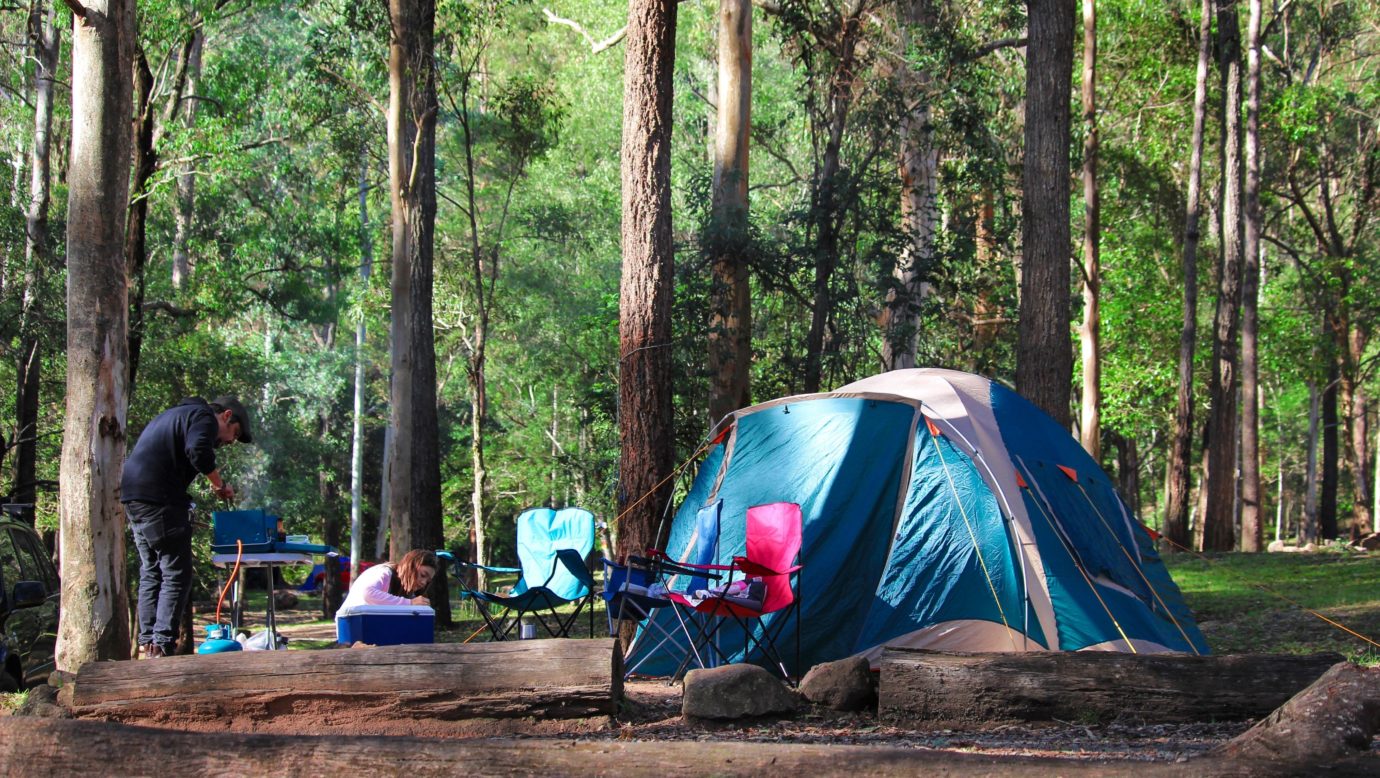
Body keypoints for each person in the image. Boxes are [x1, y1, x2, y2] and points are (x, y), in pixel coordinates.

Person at [121, 395, 253, 658]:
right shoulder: (202, 416)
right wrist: (218, 484)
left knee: (152, 571)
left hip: (133, 498)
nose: (228, 441)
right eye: (233, 433)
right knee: (176, 574)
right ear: (226, 416)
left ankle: (148, 644)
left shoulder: (176, 415)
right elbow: (199, 451)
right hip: (159, 501)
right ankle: (161, 647)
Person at [339, 549, 437, 611]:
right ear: (410, 567)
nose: (423, 583)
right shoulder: (384, 572)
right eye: (423, 575)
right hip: (353, 624)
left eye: (427, 581)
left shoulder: (406, 591)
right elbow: (367, 593)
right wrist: (409, 603)